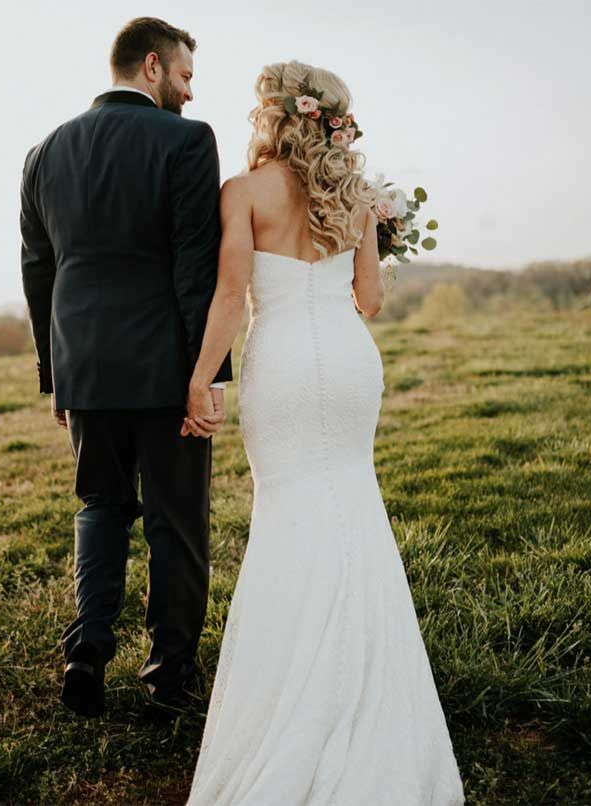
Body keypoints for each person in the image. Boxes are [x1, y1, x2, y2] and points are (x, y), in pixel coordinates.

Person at [180, 60, 465, 805]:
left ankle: (296, 692)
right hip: (346, 363)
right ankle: (364, 685)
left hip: (279, 363)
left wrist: (201, 376)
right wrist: (367, 232)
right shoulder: (355, 197)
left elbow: (231, 292)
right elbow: (368, 299)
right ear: (330, 121)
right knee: (351, 502)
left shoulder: (241, 192)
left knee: (289, 512)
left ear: (273, 116)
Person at [18, 16, 231, 717]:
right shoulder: (187, 141)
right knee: (175, 521)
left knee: (100, 507)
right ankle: (169, 676)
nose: (190, 94)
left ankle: (85, 651)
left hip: (86, 365)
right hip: (167, 367)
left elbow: (38, 268)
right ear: (151, 66)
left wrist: (56, 371)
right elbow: (195, 266)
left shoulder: (43, 153)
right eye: (184, 76)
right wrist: (209, 375)